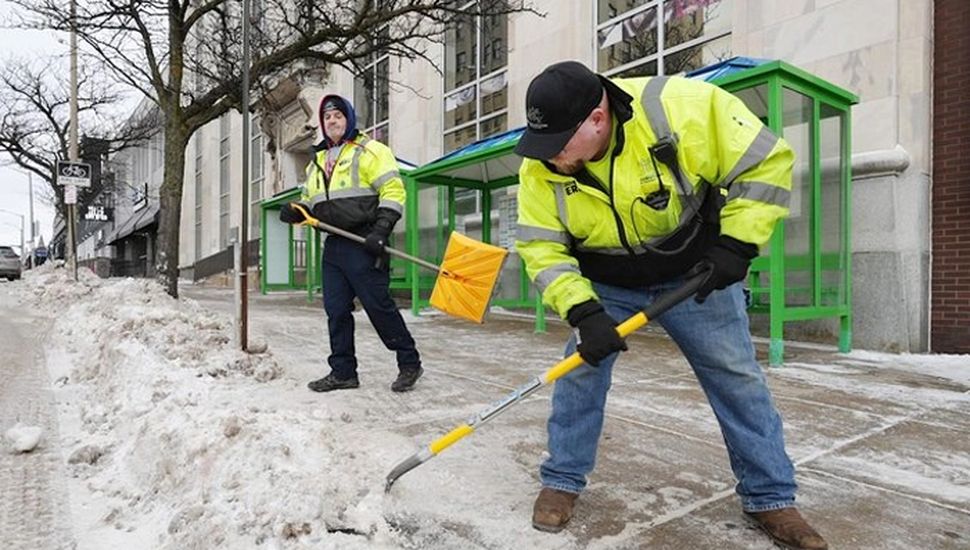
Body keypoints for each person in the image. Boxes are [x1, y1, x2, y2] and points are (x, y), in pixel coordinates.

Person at [513, 61, 827, 550]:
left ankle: (771, 497)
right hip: (606, 283)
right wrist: (583, 312)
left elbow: (766, 163)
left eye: (558, 144)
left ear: (597, 119)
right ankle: (562, 479)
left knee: (736, 378)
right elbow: (541, 247)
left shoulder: (681, 109)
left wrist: (737, 246)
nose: (548, 159)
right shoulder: (540, 164)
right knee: (578, 370)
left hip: (695, 271)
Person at [279, 94, 423, 393]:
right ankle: (343, 371)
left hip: (364, 240)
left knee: (379, 307)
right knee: (336, 310)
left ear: (349, 119)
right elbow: (310, 203)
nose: (332, 121)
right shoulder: (317, 160)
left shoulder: (371, 150)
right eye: (327, 118)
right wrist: (295, 211)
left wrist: (382, 229)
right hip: (334, 245)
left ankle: (409, 363)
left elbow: (393, 191)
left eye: (338, 116)